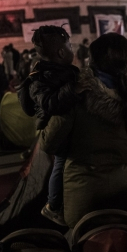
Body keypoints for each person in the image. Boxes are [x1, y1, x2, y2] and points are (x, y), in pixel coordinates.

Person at [39, 33, 127, 228]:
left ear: (92, 60)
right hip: (121, 195)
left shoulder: (76, 94)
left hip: (83, 198)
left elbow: (49, 143)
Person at [18, 26, 80, 225]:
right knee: (60, 164)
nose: (73, 49)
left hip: (68, 128)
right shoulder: (39, 78)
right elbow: (51, 104)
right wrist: (74, 89)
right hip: (57, 131)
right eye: (70, 46)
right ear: (62, 52)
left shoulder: (64, 72)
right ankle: (54, 206)